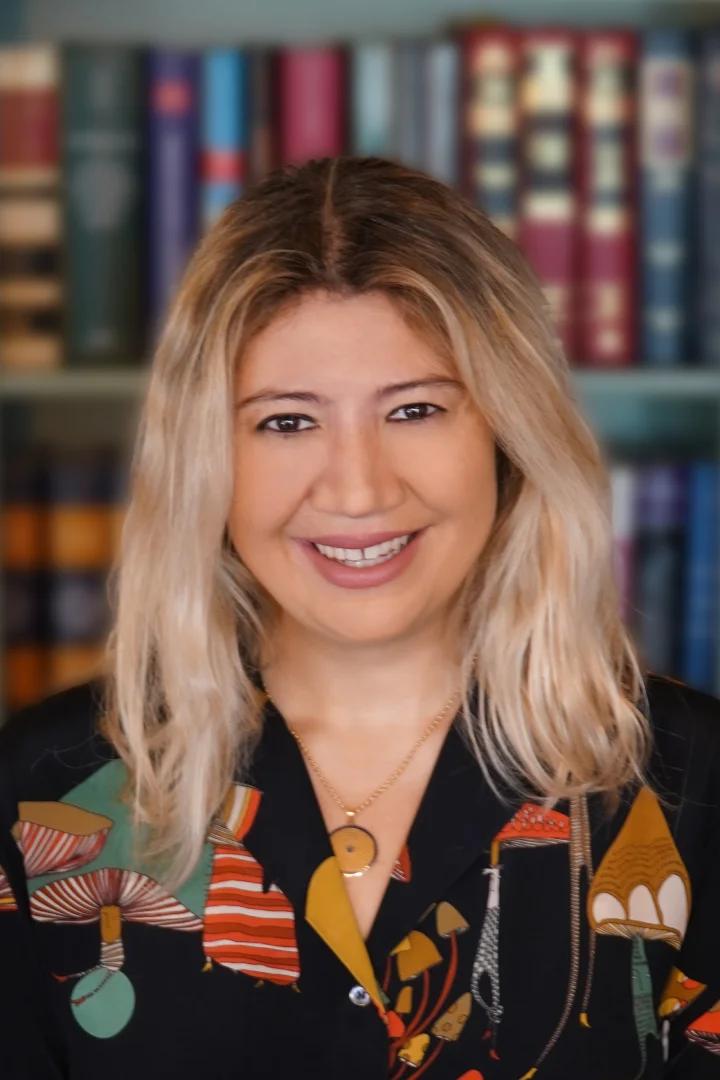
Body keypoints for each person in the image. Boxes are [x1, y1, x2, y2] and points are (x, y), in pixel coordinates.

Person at [0, 155, 718, 1080]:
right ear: (207, 462)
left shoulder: (696, 790)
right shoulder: (40, 795)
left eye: (415, 409)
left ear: (507, 434)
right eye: (287, 422)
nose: (358, 488)